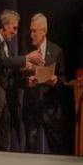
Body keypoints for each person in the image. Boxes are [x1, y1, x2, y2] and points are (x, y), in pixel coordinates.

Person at [0, 9, 43, 150]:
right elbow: (3, 61)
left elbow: (10, 69)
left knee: (4, 141)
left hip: (5, 101)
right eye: (14, 28)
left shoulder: (6, 45)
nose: (15, 32)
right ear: (5, 25)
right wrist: (27, 58)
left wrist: (26, 69)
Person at [20, 13, 67, 154]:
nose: (31, 34)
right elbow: (16, 78)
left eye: (34, 31)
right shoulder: (26, 51)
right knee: (30, 149)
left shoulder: (56, 51)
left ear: (44, 31)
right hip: (32, 107)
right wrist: (26, 81)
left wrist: (56, 80)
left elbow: (63, 78)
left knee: (56, 149)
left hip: (50, 107)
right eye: (31, 30)